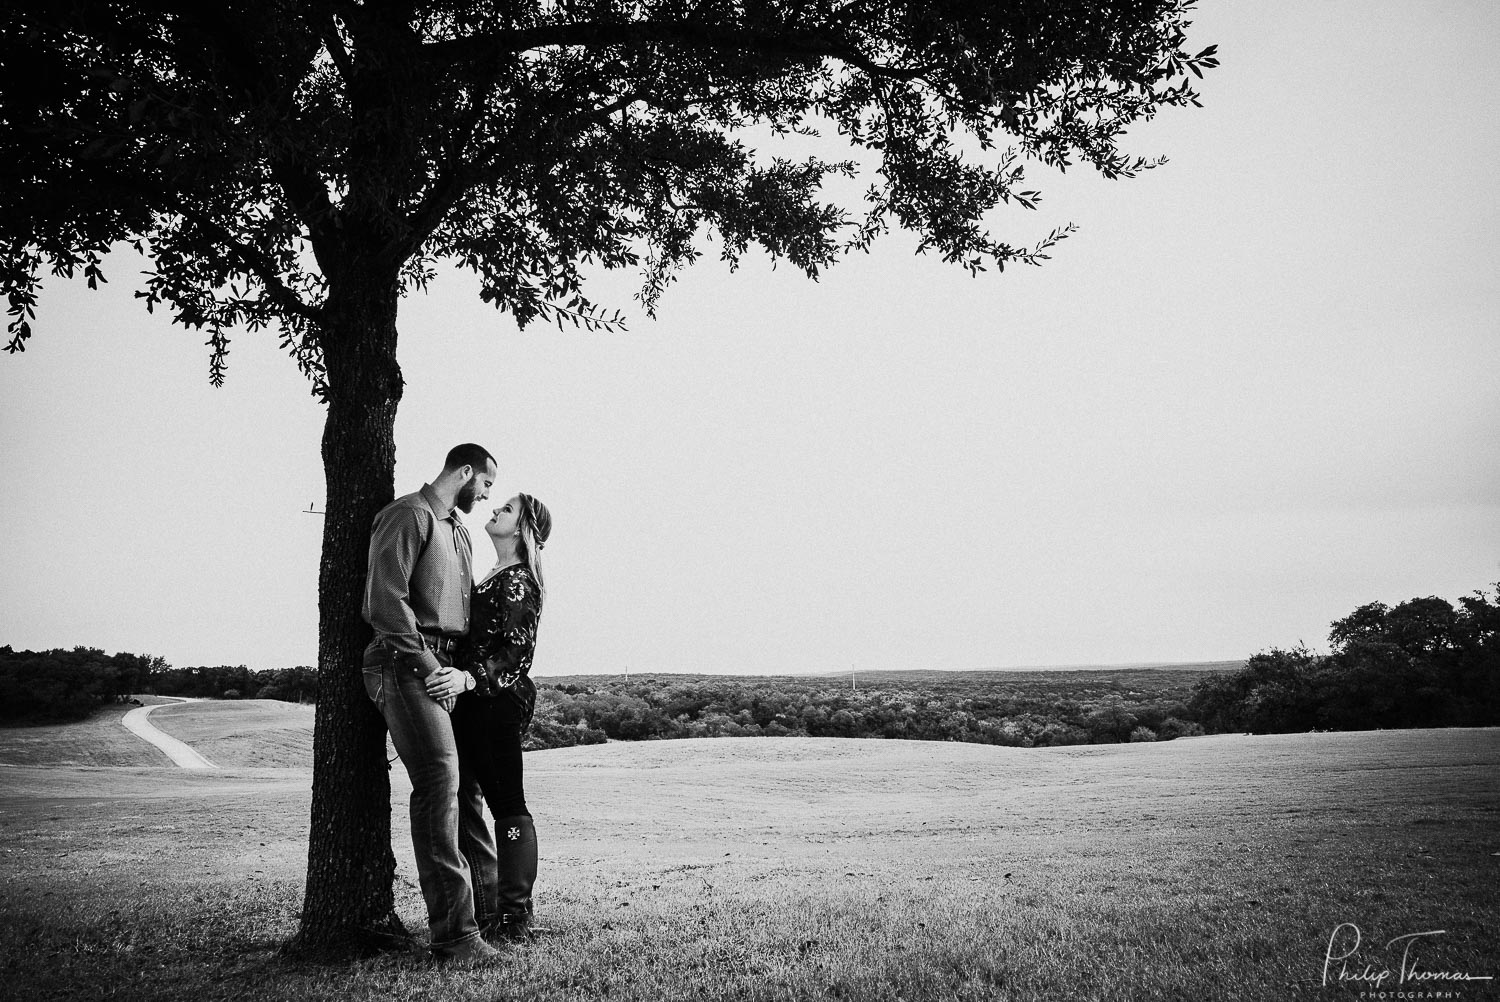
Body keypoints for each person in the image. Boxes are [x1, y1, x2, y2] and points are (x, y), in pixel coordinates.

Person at [361, 444, 500, 962]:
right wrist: (429, 668)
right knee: (439, 785)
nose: (485, 497)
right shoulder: (407, 516)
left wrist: (461, 675)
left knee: (465, 791)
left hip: (443, 670)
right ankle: (454, 937)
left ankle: (488, 913)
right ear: (464, 472)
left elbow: (460, 619)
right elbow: (383, 602)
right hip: (402, 663)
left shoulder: (458, 531)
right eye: (484, 485)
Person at [450, 492, 553, 941]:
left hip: (495, 703)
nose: (494, 511)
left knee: (508, 806)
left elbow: (518, 652)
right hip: (477, 705)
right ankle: (492, 909)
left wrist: (470, 680)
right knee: (471, 803)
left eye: (506, 509)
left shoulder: (518, 581)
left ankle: (514, 917)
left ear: (523, 529)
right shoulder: (497, 575)